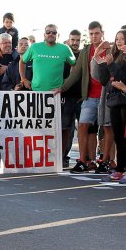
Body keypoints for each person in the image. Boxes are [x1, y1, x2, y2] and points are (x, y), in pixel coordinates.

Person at [57, 21, 109, 173]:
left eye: (97, 33)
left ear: (102, 33)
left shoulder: (111, 48)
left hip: (106, 96)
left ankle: (105, 161)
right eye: (91, 34)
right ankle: (83, 161)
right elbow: (76, 72)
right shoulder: (86, 50)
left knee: (106, 129)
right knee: (83, 127)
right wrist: (62, 88)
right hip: (90, 96)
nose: (94, 36)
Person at [96, 29, 126, 184]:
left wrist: (112, 65)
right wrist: (102, 64)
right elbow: (104, 81)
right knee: (119, 137)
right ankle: (120, 168)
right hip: (113, 100)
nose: (119, 41)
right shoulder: (113, 56)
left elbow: (125, 78)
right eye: (117, 38)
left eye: (122, 38)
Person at [21, 25, 75, 91]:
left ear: (58, 35)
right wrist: (23, 79)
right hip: (36, 91)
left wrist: (68, 81)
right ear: (44, 35)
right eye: (48, 32)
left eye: (54, 33)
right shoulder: (34, 47)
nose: (51, 34)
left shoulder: (65, 48)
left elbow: (74, 65)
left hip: (56, 92)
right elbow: (22, 61)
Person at [61, 30, 84, 166]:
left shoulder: (83, 55)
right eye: (73, 40)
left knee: (83, 129)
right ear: (69, 40)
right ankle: (63, 157)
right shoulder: (63, 54)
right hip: (66, 97)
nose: (75, 43)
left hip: (81, 97)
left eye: (77, 40)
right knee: (66, 129)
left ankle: (84, 159)